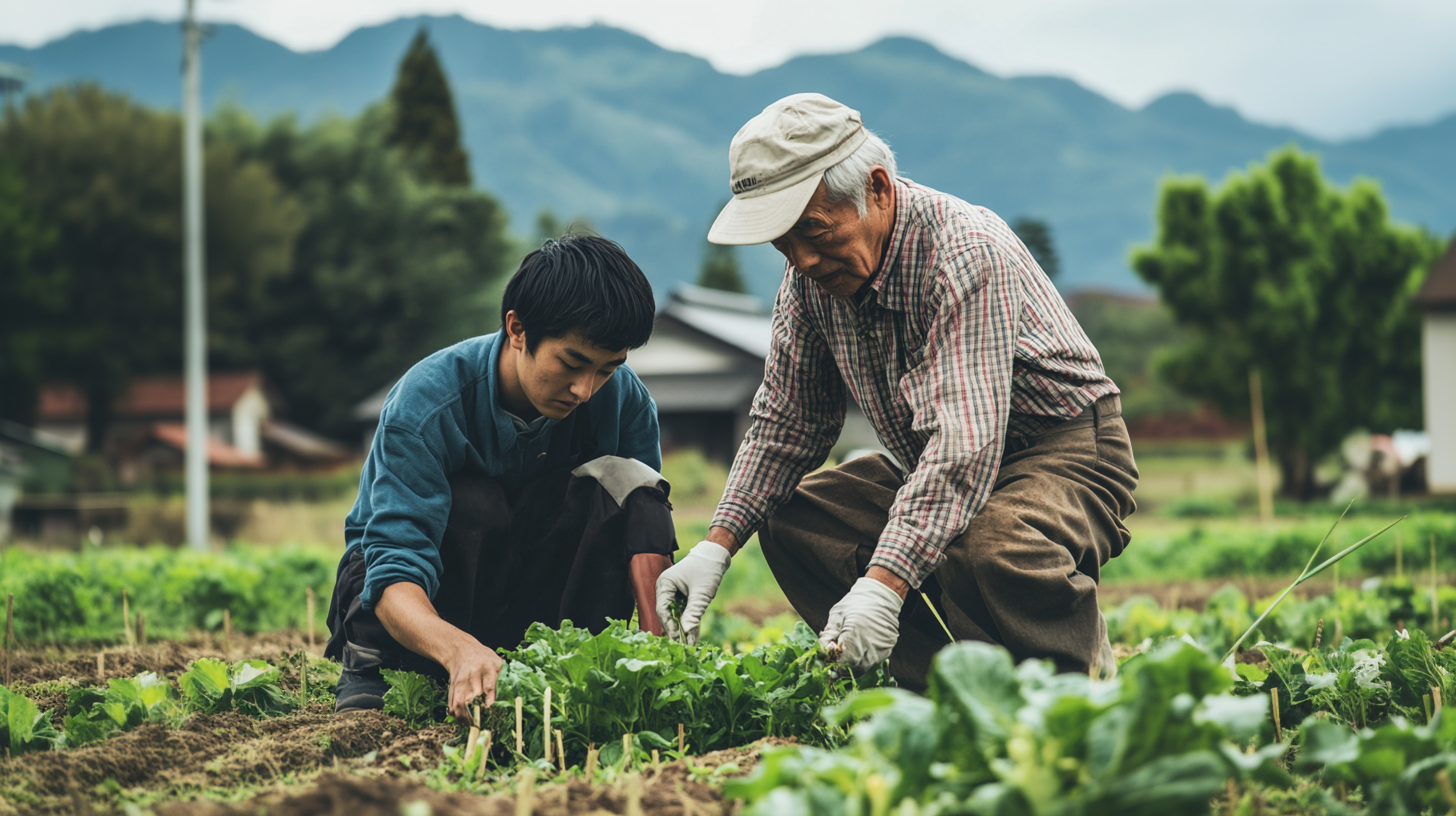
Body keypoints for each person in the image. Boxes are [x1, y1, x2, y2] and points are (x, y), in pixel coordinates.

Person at [656, 93, 1138, 688]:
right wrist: (718, 544)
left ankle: (1079, 687)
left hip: (1063, 448)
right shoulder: (809, 283)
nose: (802, 259)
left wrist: (884, 582)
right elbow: (788, 422)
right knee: (794, 521)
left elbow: (964, 447)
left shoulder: (964, 254)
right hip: (933, 460)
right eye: (783, 243)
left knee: (989, 545)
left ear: (878, 189)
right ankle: (948, 690)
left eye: (813, 230)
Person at [327, 235, 677, 719]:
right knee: (474, 501)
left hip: (524, 589)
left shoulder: (624, 401)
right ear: (517, 329)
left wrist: (654, 655)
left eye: (607, 370)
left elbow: (643, 521)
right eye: (572, 363)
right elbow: (396, 565)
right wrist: (457, 650)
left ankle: (533, 658)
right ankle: (380, 664)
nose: (585, 390)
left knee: (627, 485)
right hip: (414, 603)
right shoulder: (426, 404)